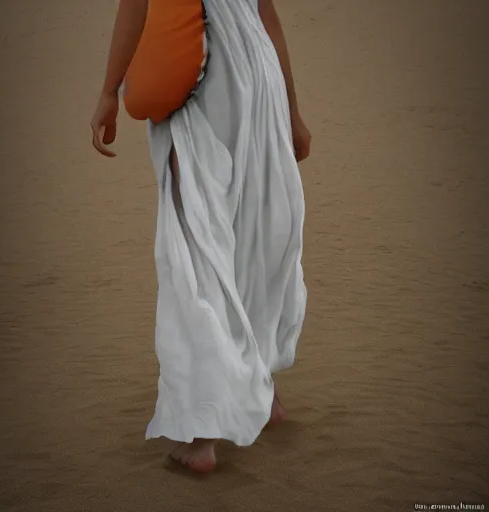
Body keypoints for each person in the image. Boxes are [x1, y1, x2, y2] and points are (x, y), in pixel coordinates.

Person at [91, 0, 311, 473]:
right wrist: (290, 110)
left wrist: (109, 91)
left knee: (196, 243)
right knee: (253, 233)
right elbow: (265, 14)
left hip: (200, 80)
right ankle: (262, 389)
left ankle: (203, 432)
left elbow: (136, 8)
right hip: (258, 79)